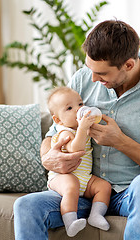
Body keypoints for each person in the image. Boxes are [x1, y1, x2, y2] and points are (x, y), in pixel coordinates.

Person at [14, 19, 140, 240]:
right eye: (90, 69)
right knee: (26, 205)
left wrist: (120, 141)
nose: (93, 79)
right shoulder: (83, 79)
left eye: (102, 74)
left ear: (128, 64)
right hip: (82, 191)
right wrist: (47, 156)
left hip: (131, 194)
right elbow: (53, 133)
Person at [46, 86, 111, 237]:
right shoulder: (64, 132)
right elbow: (75, 148)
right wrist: (82, 128)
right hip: (62, 178)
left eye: (80, 104)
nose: (77, 109)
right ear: (57, 119)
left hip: (84, 178)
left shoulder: (82, 128)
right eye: (69, 108)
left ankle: (96, 215)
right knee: (72, 186)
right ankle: (70, 222)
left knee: (104, 186)